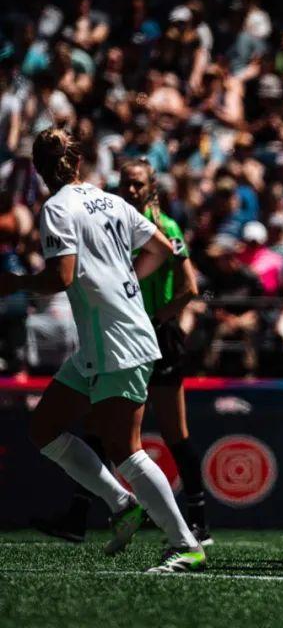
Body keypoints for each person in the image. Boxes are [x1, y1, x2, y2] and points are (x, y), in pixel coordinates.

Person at [0, 129, 205, 573]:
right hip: (106, 339)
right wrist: (122, 279)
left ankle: (185, 544)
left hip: (117, 340)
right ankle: (121, 502)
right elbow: (161, 249)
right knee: (44, 427)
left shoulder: (57, 208)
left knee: (125, 449)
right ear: (78, 163)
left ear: (39, 169)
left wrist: (15, 284)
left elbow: (61, 277)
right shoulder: (110, 201)